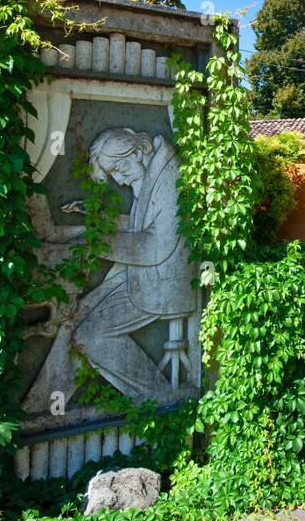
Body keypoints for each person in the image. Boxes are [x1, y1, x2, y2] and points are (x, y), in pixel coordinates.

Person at [22, 127, 195, 413]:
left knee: (91, 334)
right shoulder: (151, 170)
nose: (118, 179)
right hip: (144, 274)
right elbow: (143, 223)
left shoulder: (169, 176)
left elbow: (155, 244)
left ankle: (156, 395)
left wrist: (97, 242)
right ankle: (42, 405)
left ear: (136, 152)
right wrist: (98, 217)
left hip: (163, 282)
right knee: (74, 316)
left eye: (117, 168)